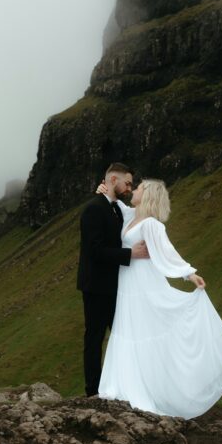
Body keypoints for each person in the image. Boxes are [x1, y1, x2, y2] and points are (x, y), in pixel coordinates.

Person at [97, 178, 222, 419]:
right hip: (129, 285)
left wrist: (189, 274)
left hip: (143, 284)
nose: (134, 190)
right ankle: (124, 386)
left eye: (138, 188)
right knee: (128, 330)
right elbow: (117, 205)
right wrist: (106, 193)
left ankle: (147, 390)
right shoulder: (133, 217)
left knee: (142, 331)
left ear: (147, 195)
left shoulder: (151, 224)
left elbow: (167, 252)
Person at [77, 163, 150, 397]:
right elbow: (94, 251)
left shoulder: (116, 209)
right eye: (127, 183)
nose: (129, 188)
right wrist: (131, 254)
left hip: (114, 286)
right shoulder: (93, 209)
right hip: (96, 287)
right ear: (113, 180)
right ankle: (93, 391)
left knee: (120, 337)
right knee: (95, 338)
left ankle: (117, 387)